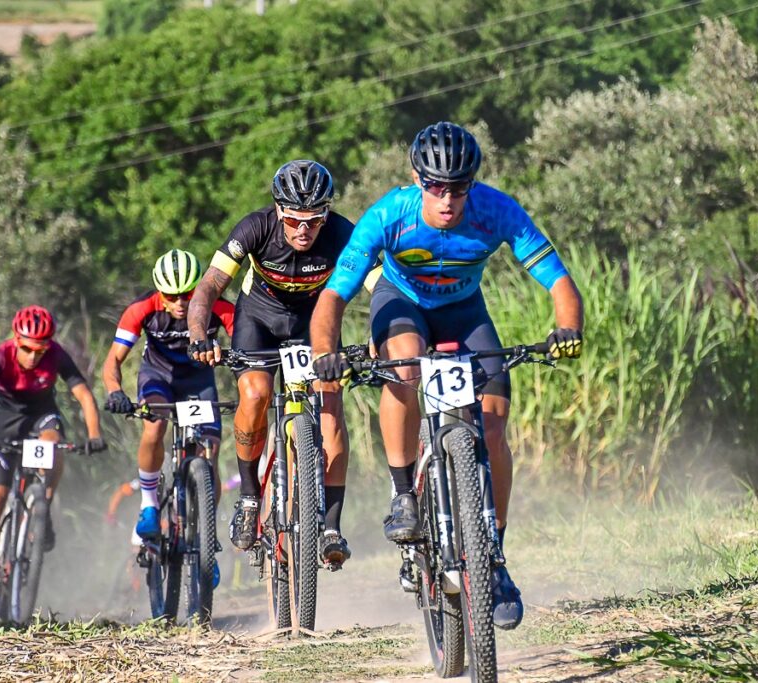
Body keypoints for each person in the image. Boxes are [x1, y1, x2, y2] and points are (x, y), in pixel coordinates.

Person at [309, 122, 583, 629]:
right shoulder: (390, 214)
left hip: (464, 310)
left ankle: (494, 557)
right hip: (402, 305)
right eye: (436, 186)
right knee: (406, 364)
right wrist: (325, 350)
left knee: (495, 426)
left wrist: (568, 326)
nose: (448, 200)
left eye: (458, 187)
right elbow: (332, 299)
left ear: (472, 184)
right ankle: (404, 494)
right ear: (418, 179)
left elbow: (558, 280)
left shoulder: (497, 210)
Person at [188, 159, 356, 567]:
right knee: (256, 393)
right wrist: (198, 333)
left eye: (314, 221)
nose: (304, 230)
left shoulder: (343, 234)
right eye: (295, 219)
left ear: (326, 213)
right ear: (279, 210)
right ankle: (248, 497)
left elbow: (379, 284)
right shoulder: (255, 227)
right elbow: (209, 285)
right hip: (258, 319)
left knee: (330, 404)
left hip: (312, 323)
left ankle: (331, 525)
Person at [0, 305, 107, 619]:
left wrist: (94, 434)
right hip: (4, 428)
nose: (33, 357)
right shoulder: (0, 356)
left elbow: (84, 395)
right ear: (16, 340)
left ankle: (43, 503)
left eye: (40, 350)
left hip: (42, 418)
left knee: (54, 442)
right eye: (27, 349)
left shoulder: (57, 354)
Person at [101, 249, 235, 561]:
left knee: (211, 451)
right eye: (171, 295)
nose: (179, 302)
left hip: (199, 382)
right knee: (155, 423)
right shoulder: (142, 309)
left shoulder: (218, 307)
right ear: (160, 292)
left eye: (187, 294)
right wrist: (114, 391)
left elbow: (245, 344)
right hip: (158, 378)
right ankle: (149, 504)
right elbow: (113, 360)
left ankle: (205, 540)